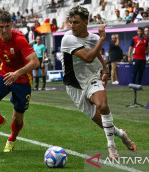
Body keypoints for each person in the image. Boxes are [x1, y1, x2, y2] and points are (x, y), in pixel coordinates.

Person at [60, 5, 136, 159]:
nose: (72, 26)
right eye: (71, 22)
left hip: (92, 77)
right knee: (102, 123)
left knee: (103, 106)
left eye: (76, 22)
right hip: (74, 86)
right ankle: (122, 134)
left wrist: (105, 70)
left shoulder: (94, 39)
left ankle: (111, 147)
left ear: (86, 23)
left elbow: (96, 55)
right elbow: (88, 56)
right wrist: (102, 38)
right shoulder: (68, 38)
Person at [0, 10, 39, 152]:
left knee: (17, 119)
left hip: (22, 78)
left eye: (7, 26)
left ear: (12, 25)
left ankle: (12, 139)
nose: (4, 30)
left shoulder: (19, 39)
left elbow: (35, 62)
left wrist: (17, 73)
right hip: (4, 73)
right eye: (1, 27)